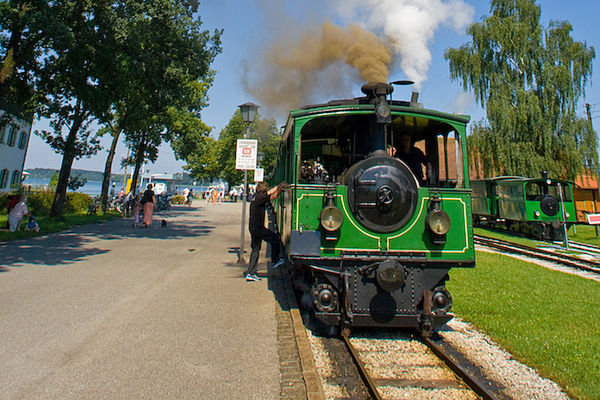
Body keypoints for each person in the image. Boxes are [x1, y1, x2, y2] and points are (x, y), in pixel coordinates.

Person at [243, 182, 287, 282]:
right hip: (258, 228)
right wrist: (280, 187)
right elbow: (273, 194)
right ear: (263, 190)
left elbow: (272, 194)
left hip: (253, 227)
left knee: (255, 249)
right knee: (275, 238)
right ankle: (275, 260)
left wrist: (279, 187)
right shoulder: (260, 198)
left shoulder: (257, 197)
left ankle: (250, 273)